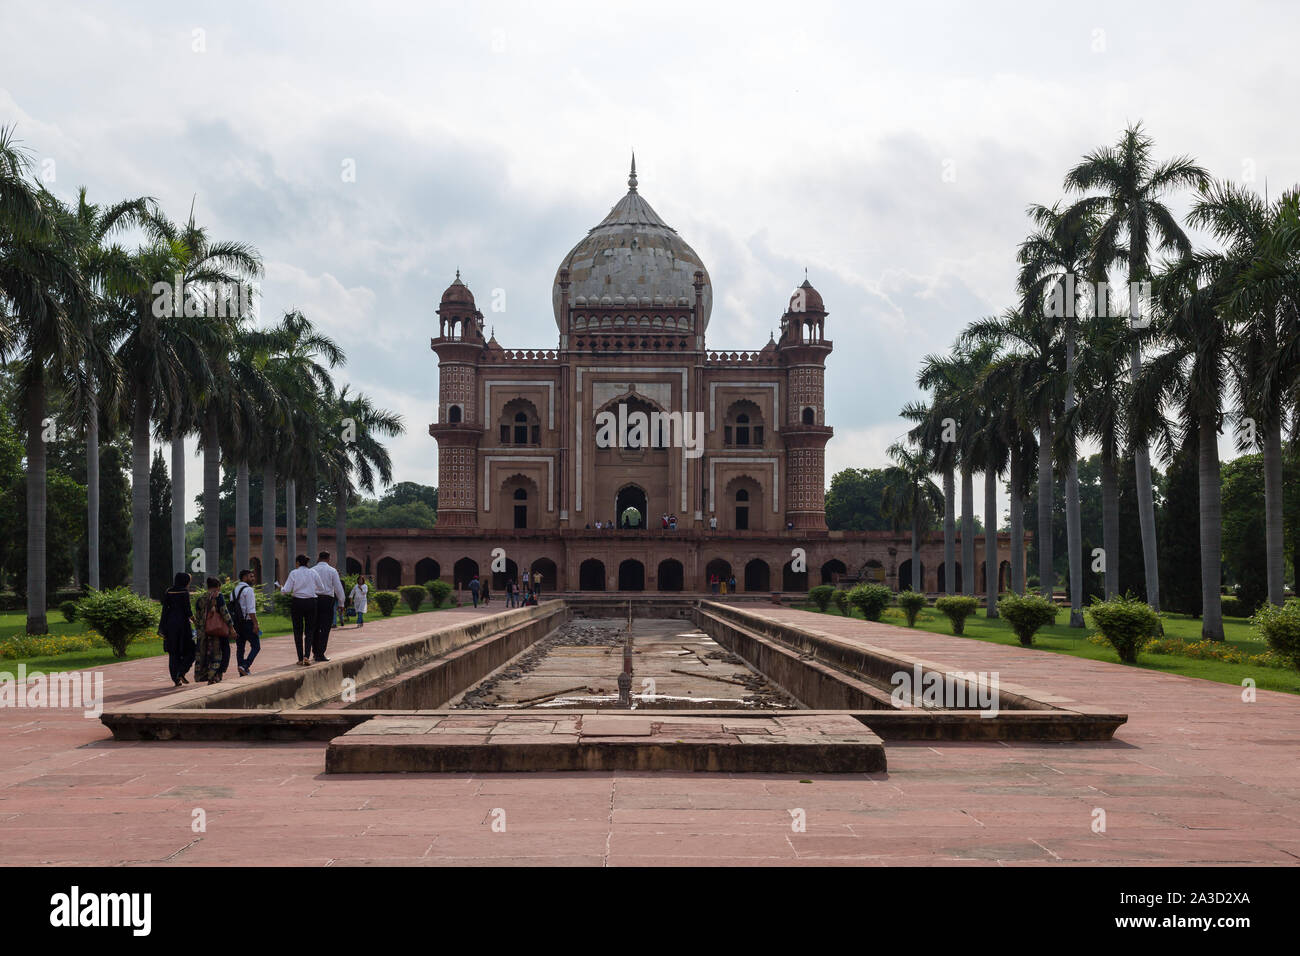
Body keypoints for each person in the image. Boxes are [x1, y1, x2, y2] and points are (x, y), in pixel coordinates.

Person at [281, 554, 323, 666]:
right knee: (309, 631)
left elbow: (286, 590)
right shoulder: (313, 573)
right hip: (311, 602)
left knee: (297, 630)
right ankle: (307, 656)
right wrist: (311, 588)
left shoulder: (294, 573)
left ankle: (300, 658)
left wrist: (280, 588)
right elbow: (321, 588)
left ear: (298, 563)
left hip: (297, 602)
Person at [193, 577, 236, 685]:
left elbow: (197, 617)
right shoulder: (218, 596)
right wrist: (231, 628)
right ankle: (217, 675)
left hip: (204, 632)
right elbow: (224, 612)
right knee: (223, 652)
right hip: (217, 631)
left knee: (207, 654)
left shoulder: (200, 599)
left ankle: (209, 675)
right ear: (218, 587)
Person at [158, 572, 195, 687]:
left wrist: (162, 627)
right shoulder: (184, 592)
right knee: (192, 650)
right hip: (182, 625)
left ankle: (176, 678)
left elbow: (165, 610)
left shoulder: (169, 591)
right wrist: (197, 622)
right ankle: (182, 671)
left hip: (170, 625)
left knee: (173, 652)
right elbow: (188, 611)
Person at [311, 551, 346, 663]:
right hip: (327, 600)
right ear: (328, 558)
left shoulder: (312, 570)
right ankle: (320, 653)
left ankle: (315, 651)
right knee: (325, 628)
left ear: (319, 558)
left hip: (314, 599)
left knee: (315, 627)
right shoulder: (332, 570)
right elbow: (338, 588)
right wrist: (341, 603)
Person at [230, 569, 260, 676]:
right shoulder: (248, 590)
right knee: (256, 646)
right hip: (247, 622)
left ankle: (241, 670)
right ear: (244, 577)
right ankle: (245, 666)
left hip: (237, 623)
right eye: (251, 576)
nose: (253, 579)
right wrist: (256, 624)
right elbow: (251, 610)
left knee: (240, 647)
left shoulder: (233, 591)